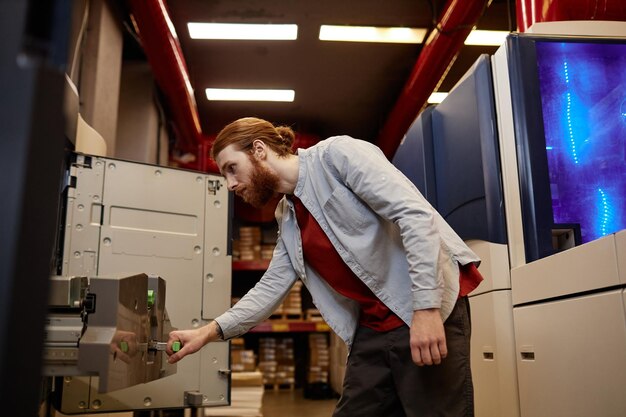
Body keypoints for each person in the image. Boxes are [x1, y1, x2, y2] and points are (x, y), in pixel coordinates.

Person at [166, 117, 483, 416]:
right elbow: (269, 289)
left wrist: (426, 309)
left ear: (259, 150)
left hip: (422, 309)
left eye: (232, 168)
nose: (231, 183)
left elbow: (415, 216)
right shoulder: (287, 216)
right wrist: (208, 332)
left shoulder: (337, 155)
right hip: (372, 330)